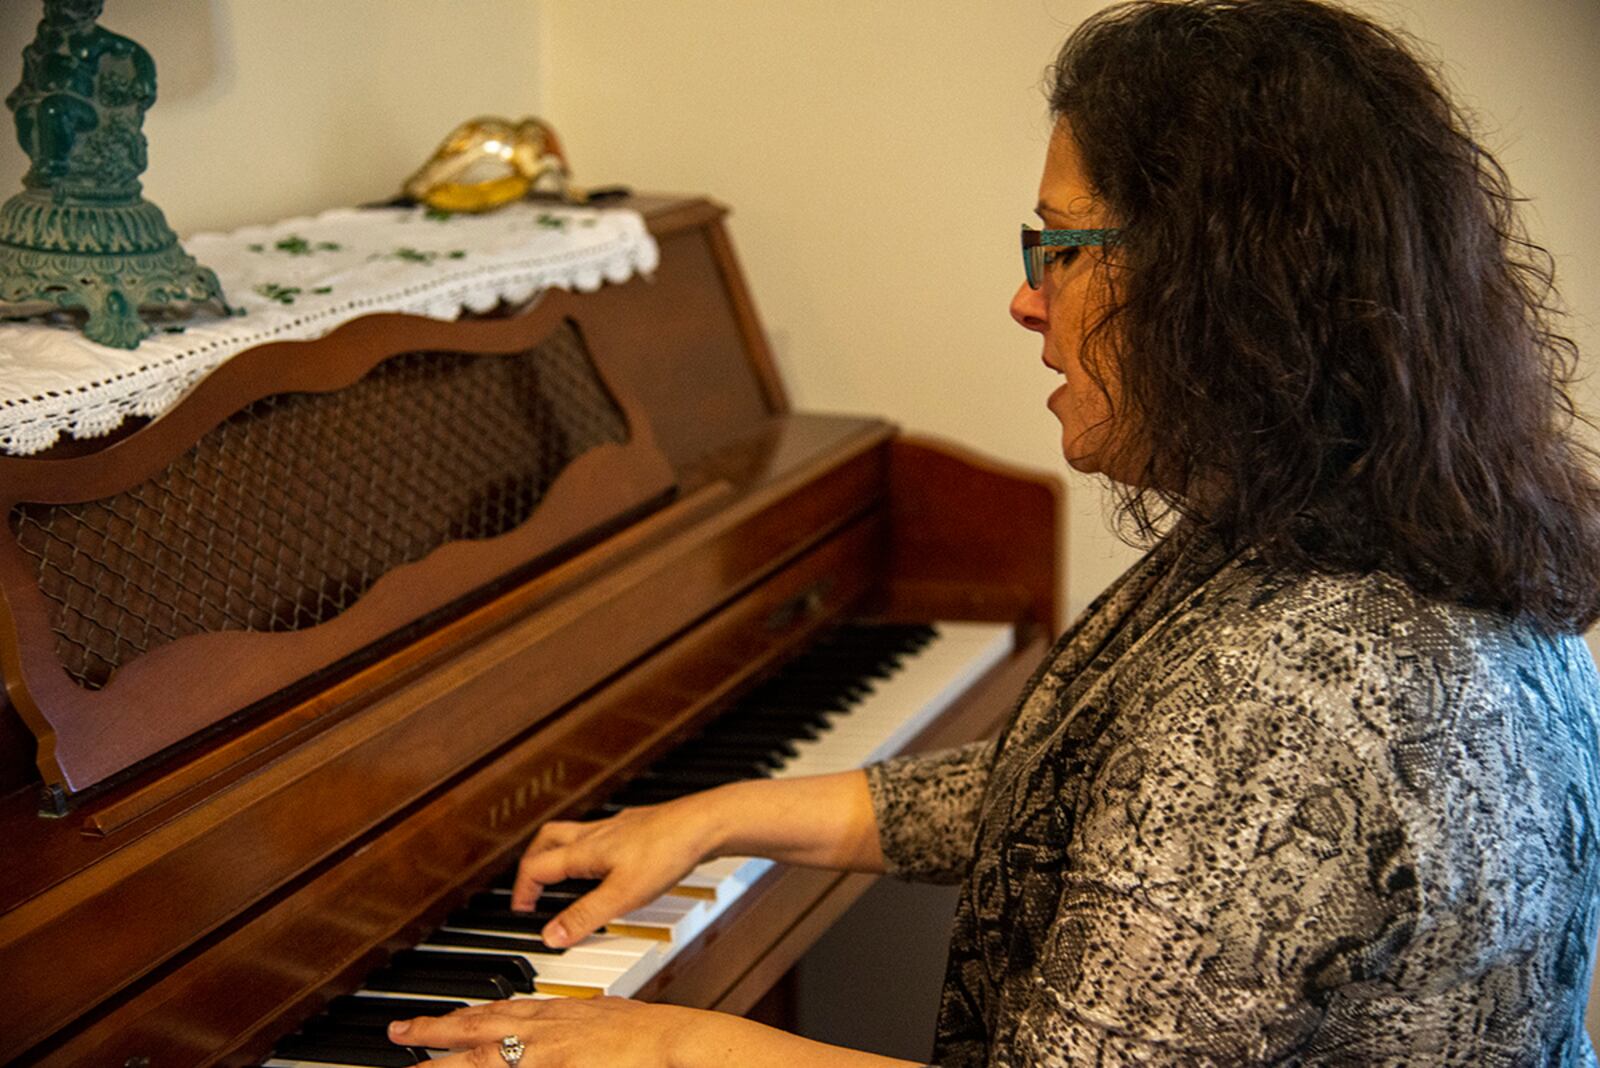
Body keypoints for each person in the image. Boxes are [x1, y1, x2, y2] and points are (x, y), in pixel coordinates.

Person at [387, 0, 1600, 1063]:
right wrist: (719, 811)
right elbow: (1085, 800)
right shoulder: (1365, 528)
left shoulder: (1291, 691)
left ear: (1219, 290)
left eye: (1062, 247)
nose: (1028, 298)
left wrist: (664, 1047)